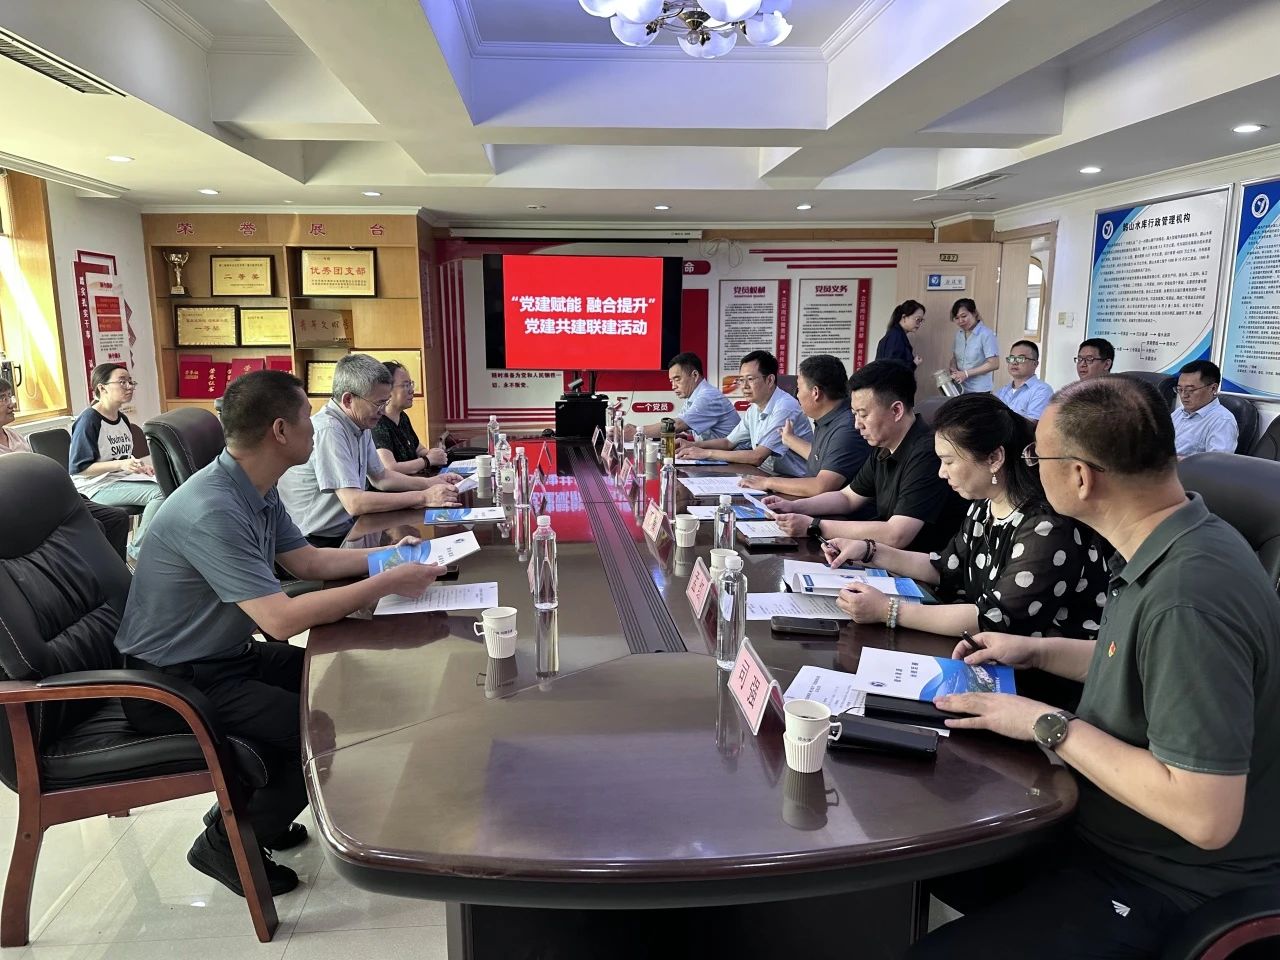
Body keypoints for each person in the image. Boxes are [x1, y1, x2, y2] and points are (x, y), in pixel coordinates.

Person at [909, 376, 1280, 960]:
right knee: (925, 858)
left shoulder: (1189, 597)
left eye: (1037, 458)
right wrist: (1034, 650)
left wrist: (1045, 723)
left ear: (1081, 476)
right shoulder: (1175, 543)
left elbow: (1205, 814)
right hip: (1102, 829)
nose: (1031, 469)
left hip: (1166, 880)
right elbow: (1139, 662)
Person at [115, 370, 447, 898]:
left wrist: (396, 556)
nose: (315, 428)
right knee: (312, 731)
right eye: (306, 419)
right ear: (279, 430)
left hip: (224, 656)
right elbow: (280, 620)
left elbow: (307, 561)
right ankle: (226, 844)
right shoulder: (213, 509)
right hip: (172, 684)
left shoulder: (254, 487)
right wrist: (385, 583)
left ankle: (253, 813)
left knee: (336, 686)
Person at [823, 394, 1108, 641]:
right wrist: (869, 551)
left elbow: (996, 619)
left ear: (994, 458)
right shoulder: (984, 507)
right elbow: (947, 568)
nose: (941, 472)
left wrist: (888, 611)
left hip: (1037, 671)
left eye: (949, 461)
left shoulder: (1046, 526)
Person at [766, 360, 964, 552]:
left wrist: (814, 526)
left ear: (896, 410)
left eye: (863, 414)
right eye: (854, 414)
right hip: (879, 553)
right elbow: (848, 497)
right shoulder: (883, 446)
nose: (857, 424)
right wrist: (793, 506)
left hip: (917, 566)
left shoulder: (927, 452)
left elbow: (897, 534)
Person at [278, 354, 461, 547]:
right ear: (348, 400)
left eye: (385, 402)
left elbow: (381, 477)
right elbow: (354, 503)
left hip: (348, 530)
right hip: (315, 541)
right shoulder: (330, 430)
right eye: (378, 403)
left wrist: (429, 483)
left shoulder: (361, 422)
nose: (383, 410)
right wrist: (424, 497)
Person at [0, 376, 130, 560]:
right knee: (93, 526)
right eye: (2, 398)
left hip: (49, 497)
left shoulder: (13, 435)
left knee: (117, 518)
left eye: (10, 396)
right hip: (24, 508)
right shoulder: (90, 419)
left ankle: (116, 572)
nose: (11, 403)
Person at [68, 363, 165, 559]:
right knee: (160, 494)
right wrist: (121, 465)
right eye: (122, 382)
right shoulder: (89, 420)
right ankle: (137, 553)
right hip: (94, 487)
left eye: (130, 382)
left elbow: (121, 457)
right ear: (102, 388)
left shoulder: (122, 419)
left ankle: (154, 550)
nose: (129, 387)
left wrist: (138, 466)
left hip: (118, 481)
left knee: (169, 485)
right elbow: (79, 468)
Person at [739, 354, 871, 497]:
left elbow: (821, 486)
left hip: (839, 509)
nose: (797, 396)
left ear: (815, 393)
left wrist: (768, 482)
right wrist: (789, 439)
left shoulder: (847, 428)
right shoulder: (829, 417)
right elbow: (821, 457)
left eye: (799, 389)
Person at [677, 350, 811, 477]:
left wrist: (706, 453)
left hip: (794, 480)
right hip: (766, 475)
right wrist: (692, 445)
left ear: (770, 380)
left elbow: (757, 457)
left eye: (750, 379)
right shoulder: (754, 408)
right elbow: (728, 442)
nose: (744, 386)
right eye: (741, 380)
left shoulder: (784, 407)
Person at [630, 352, 740, 442]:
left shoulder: (708, 397)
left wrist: (636, 432)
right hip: (715, 455)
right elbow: (682, 428)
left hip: (731, 458)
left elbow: (677, 425)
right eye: (671, 381)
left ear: (695, 375)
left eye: (677, 379)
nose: (673, 386)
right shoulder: (692, 397)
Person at [371, 360, 449, 475]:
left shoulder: (402, 417)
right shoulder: (377, 423)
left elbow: (419, 449)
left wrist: (434, 454)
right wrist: (427, 460)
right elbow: (390, 468)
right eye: (405, 385)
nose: (412, 390)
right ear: (387, 389)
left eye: (411, 384)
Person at [1171, 359, 1237, 457]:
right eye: (1180, 389)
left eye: (1190, 390)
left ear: (1213, 388)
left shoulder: (1222, 421)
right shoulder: (1178, 413)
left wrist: (1175, 461)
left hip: (1185, 467)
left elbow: (1217, 462)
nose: (1183, 395)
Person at [948, 298, 999, 393]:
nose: (960, 321)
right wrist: (953, 367)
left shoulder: (986, 334)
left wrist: (966, 374)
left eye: (964, 316)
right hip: (960, 388)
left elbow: (994, 364)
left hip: (979, 390)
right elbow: (955, 357)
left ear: (974, 313)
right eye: (957, 318)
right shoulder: (959, 334)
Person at [994, 339, 1054, 420]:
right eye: (1012, 358)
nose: (1014, 362)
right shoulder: (1002, 391)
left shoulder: (1042, 390)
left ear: (1035, 364)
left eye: (1020, 358)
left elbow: (1032, 424)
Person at [874, 300, 926, 368]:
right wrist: (913, 364)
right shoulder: (895, 336)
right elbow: (892, 369)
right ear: (904, 317)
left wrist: (913, 364)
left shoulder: (897, 335)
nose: (919, 324)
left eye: (921, 320)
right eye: (918, 319)